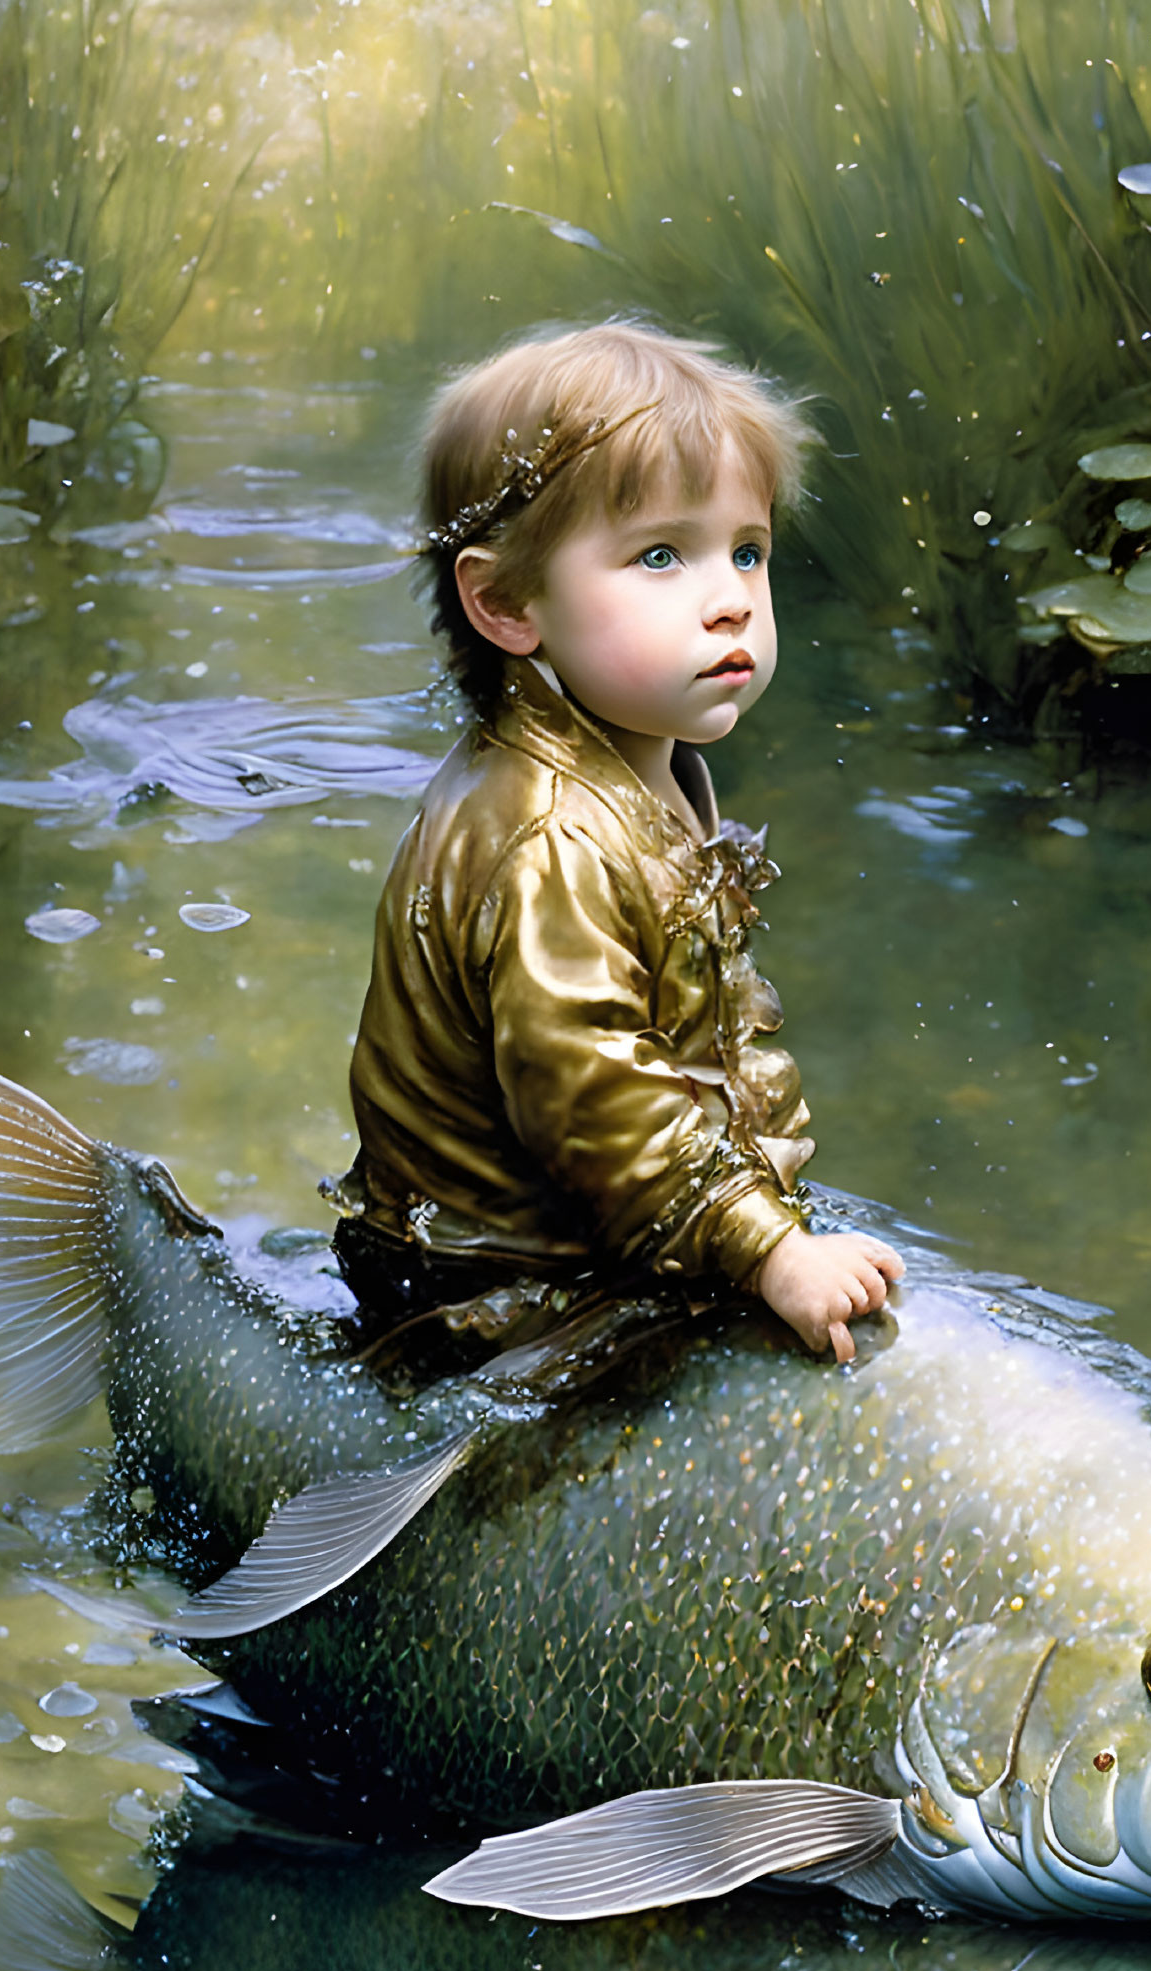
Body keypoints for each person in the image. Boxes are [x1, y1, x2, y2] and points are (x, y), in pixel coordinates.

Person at [336, 319, 902, 1369]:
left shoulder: (648, 758)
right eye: (660, 555)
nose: (731, 596)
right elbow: (598, 1094)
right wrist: (770, 1251)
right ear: (504, 602)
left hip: (595, 1222)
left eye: (747, 550)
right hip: (493, 1286)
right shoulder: (546, 838)